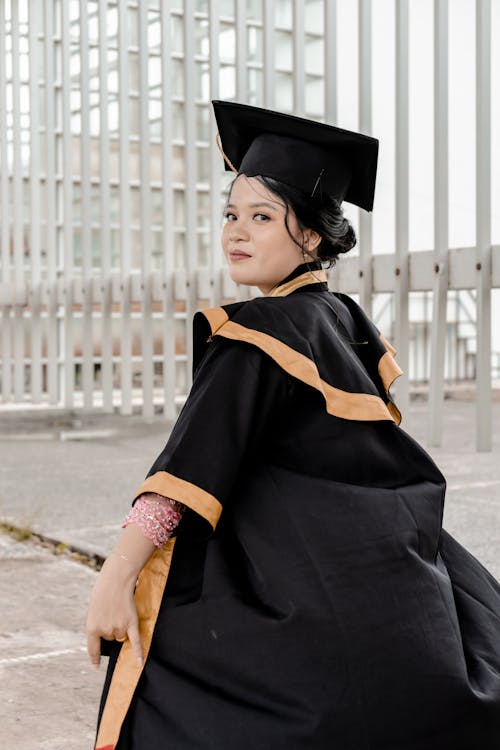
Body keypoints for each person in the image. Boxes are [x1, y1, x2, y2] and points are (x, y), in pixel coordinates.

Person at [87, 101, 500, 750]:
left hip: (287, 585)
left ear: (310, 235)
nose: (236, 232)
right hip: (377, 584)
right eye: (230, 214)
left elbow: (185, 478)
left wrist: (113, 582)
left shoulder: (259, 332)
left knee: (175, 693)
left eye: (260, 217)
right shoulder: (345, 325)